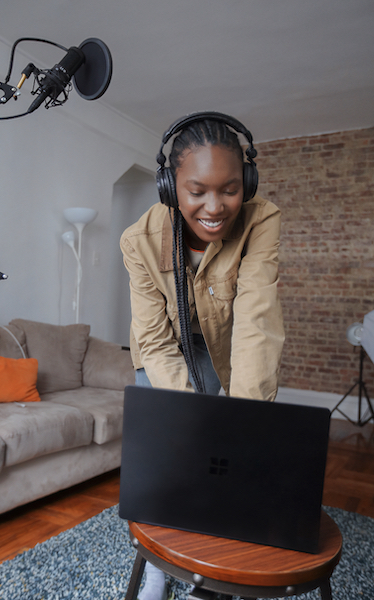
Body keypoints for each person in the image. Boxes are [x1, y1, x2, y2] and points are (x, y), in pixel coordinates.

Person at [120, 112, 285, 600]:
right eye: (197, 191)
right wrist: (190, 415)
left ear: (247, 183)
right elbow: (152, 337)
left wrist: (242, 422)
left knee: (229, 456)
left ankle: (213, 575)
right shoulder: (138, 240)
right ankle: (156, 564)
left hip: (228, 344)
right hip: (167, 344)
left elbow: (256, 321)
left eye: (230, 189)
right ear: (171, 188)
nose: (215, 207)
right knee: (165, 457)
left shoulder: (263, 218)